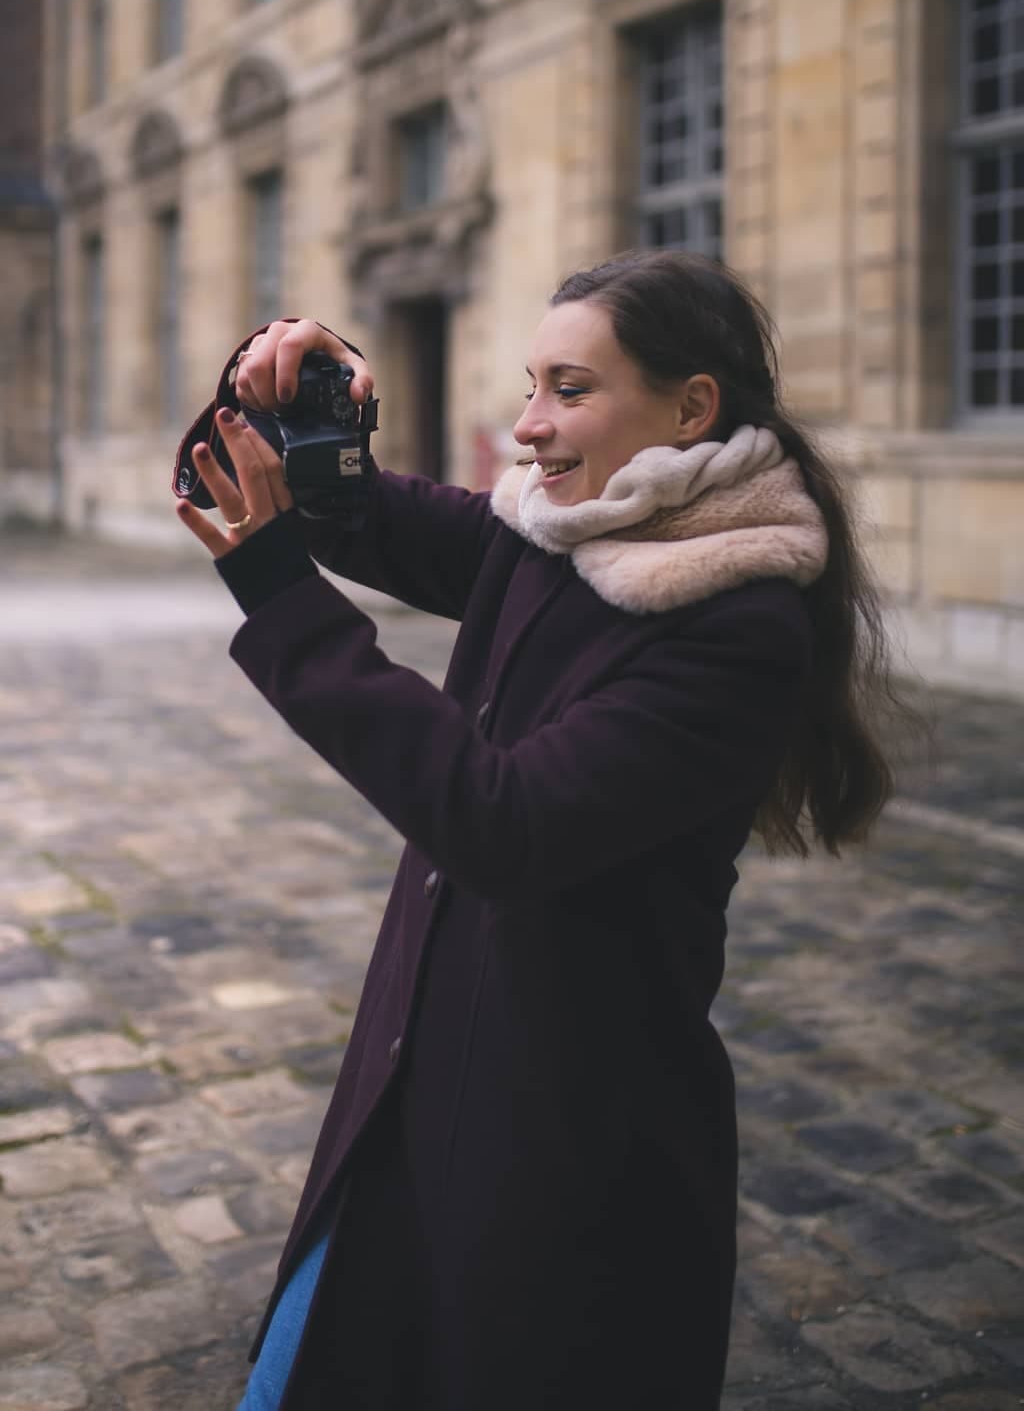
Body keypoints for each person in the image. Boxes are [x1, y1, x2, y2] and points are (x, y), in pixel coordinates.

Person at [175, 250, 900, 1411]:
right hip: (421, 1057)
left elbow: (506, 824)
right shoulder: (552, 532)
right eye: (530, 385)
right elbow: (341, 508)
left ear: (689, 408)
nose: (527, 427)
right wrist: (287, 394)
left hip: (564, 1128)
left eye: (569, 390)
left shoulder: (737, 626)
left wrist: (283, 603)